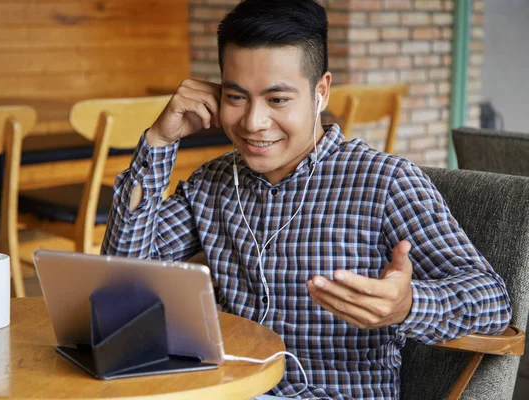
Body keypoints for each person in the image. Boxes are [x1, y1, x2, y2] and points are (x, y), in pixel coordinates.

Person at [101, 0, 512, 398]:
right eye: (236, 96)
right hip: (226, 388)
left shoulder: (384, 182)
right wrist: (158, 141)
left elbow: (492, 301)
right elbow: (121, 277)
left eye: (277, 99)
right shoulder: (213, 182)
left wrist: (407, 305)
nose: (253, 123)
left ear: (321, 92)